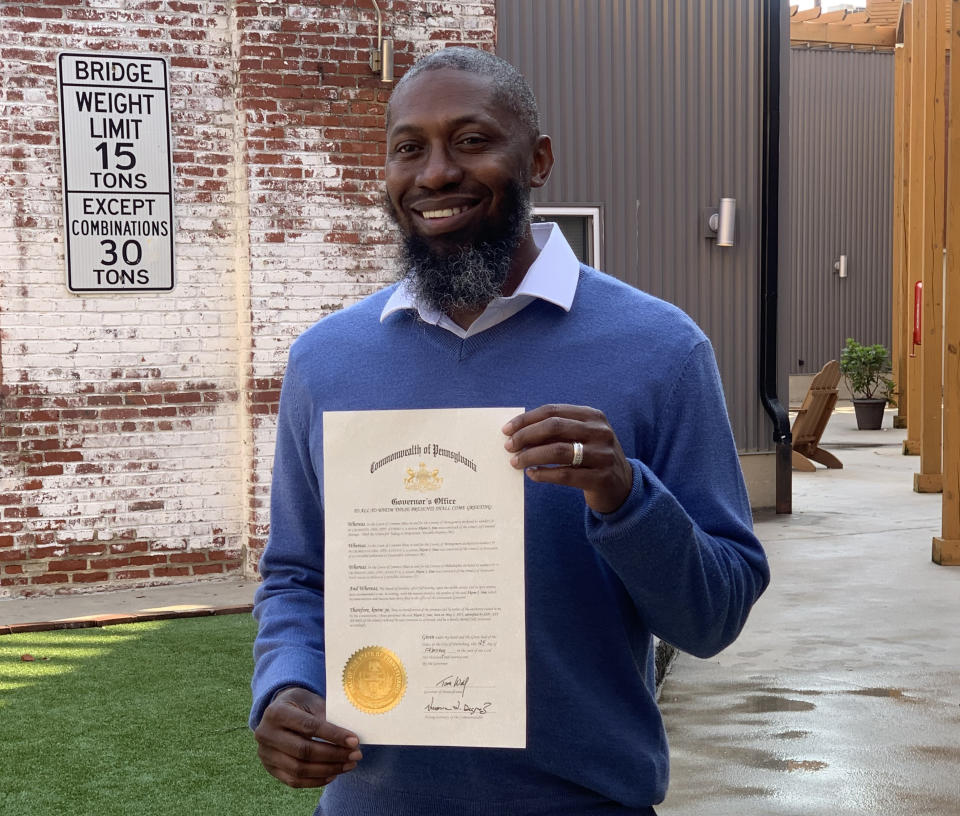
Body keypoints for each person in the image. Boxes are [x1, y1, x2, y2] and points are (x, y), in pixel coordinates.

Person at [250, 46, 769, 816]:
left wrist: (623, 493)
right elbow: (296, 574)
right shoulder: (328, 361)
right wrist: (286, 684)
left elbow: (714, 618)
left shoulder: (660, 349)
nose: (434, 174)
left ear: (539, 159)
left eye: (471, 140)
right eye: (408, 149)